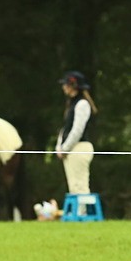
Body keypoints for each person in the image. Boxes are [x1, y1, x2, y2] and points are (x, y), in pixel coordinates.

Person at [55, 70, 97, 198]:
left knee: (80, 186)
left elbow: (77, 130)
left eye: (66, 84)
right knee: (73, 186)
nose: (63, 87)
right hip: (71, 148)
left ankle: (82, 215)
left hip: (80, 147)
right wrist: (59, 146)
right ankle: (78, 215)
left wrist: (65, 148)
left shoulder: (82, 104)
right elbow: (66, 128)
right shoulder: (72, 104)